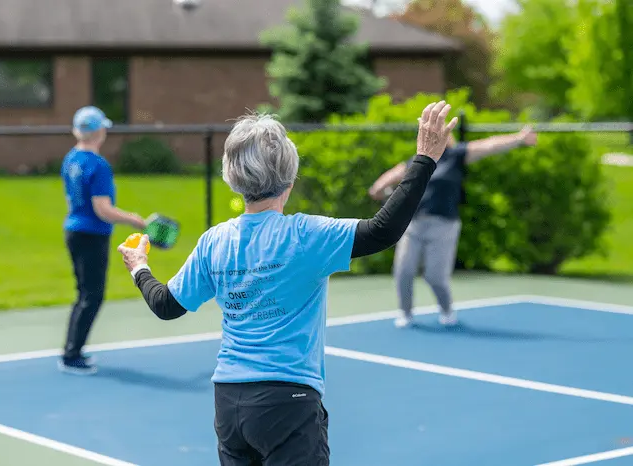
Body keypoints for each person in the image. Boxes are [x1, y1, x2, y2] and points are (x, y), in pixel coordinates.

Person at [117, 101, 457, 465]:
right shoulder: (306, 236)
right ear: (289, 178)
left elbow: (166, 305)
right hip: (287, 403)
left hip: (229, 403)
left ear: (232, 176)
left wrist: (139, 267)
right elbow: (382, 231)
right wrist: (425, 159)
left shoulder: (214, 241)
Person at [368, 126, 538, 328]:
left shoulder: (455, 156)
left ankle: (446, 310)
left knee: (435, 276)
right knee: (403, 271)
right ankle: (405, 313)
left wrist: (519, 138)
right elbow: (382, 184)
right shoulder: (417, 161)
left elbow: (489, 145)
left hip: (444, 227)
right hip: (413, 225)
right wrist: (380, 190)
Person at [59, 106, 146, 375]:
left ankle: (73, 349)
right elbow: (102, 209)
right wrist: (134, 219)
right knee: (92, 295)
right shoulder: (98, 165)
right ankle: (72, 354)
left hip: (74, 231)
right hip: (92, 235)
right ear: (99, 132)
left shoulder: (71, 159)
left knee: (84, 293)